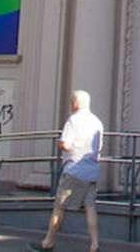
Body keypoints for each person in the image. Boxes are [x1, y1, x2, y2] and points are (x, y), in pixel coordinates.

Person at [29, 89, 103, 252]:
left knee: (59, 207)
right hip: (91, 171)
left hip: (74, 170)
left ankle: (48, 242)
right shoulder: (97, 122)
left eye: (71, 101)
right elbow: (99, 147)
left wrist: (60, 143)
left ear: (75, 103)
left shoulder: (73, 120)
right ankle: (95, 244)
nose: (70, 104)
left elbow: (67, 145)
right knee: (90, 207)